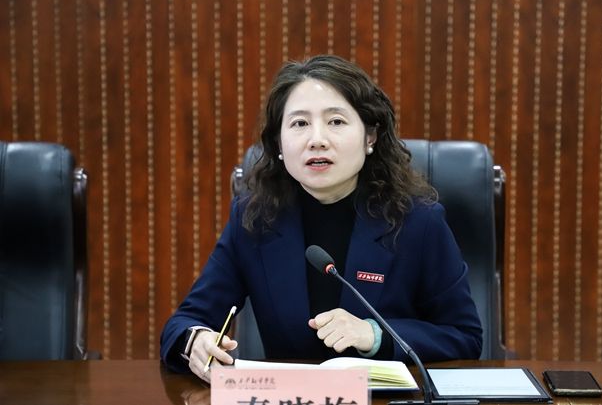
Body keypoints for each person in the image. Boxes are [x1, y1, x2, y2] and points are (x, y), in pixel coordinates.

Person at [160, 54, 482, 382]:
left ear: (370, 137)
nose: (317, 140)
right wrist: (195, 340)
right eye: (300, 124)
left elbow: (464, 336)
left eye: (336, 122)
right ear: (279, 143)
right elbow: (185, 322)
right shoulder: (256, 218)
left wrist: (375, 335)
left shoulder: (417, 221)